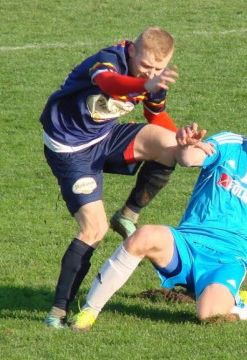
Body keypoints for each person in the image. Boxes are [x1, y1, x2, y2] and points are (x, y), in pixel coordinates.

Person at [69, 96, 247, 331]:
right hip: (186, 245)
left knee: (208, 316)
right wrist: (188, 146)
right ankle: (89, 312)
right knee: (144, 235)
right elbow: (191, 159)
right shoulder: (228, 144)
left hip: (226, 261)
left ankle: (241, 305)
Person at [40, 27, 183, 328]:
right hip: (70, 150)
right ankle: (57, 312)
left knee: (170, 147)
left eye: (157, 69)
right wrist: (145, 81)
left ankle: (128, 214)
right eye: (144, 66)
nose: (150, 73)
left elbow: (156, 117)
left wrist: (184, 138)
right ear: (131, 50)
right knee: (94, 229)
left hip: (104, 137)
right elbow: (111, 83)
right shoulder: (108, 60)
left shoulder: (156, 79)